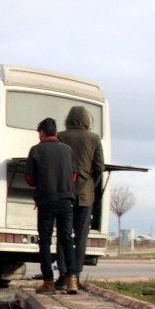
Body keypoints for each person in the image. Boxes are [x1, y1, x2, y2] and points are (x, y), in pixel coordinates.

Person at [55, 106, 104, 291]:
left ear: (68, 119)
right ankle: (76, 275)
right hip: (85, 193)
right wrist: (91, 183)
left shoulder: (61, 136)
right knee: (81, 237)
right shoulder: (94, 138)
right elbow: (99, 167)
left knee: (63, 235)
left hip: (64, 192)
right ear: (87, 120)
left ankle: (63, 274)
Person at [25, 117, 76, 294]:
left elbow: (30, 179)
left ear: (41, 133)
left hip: (46, 201)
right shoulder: (68, 150)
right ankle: (72, 280)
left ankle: (48, 282)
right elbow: (74, 175)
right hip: (66, 200)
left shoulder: (36, 150)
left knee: (45, 241)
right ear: (56, 132)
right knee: (67, 238)